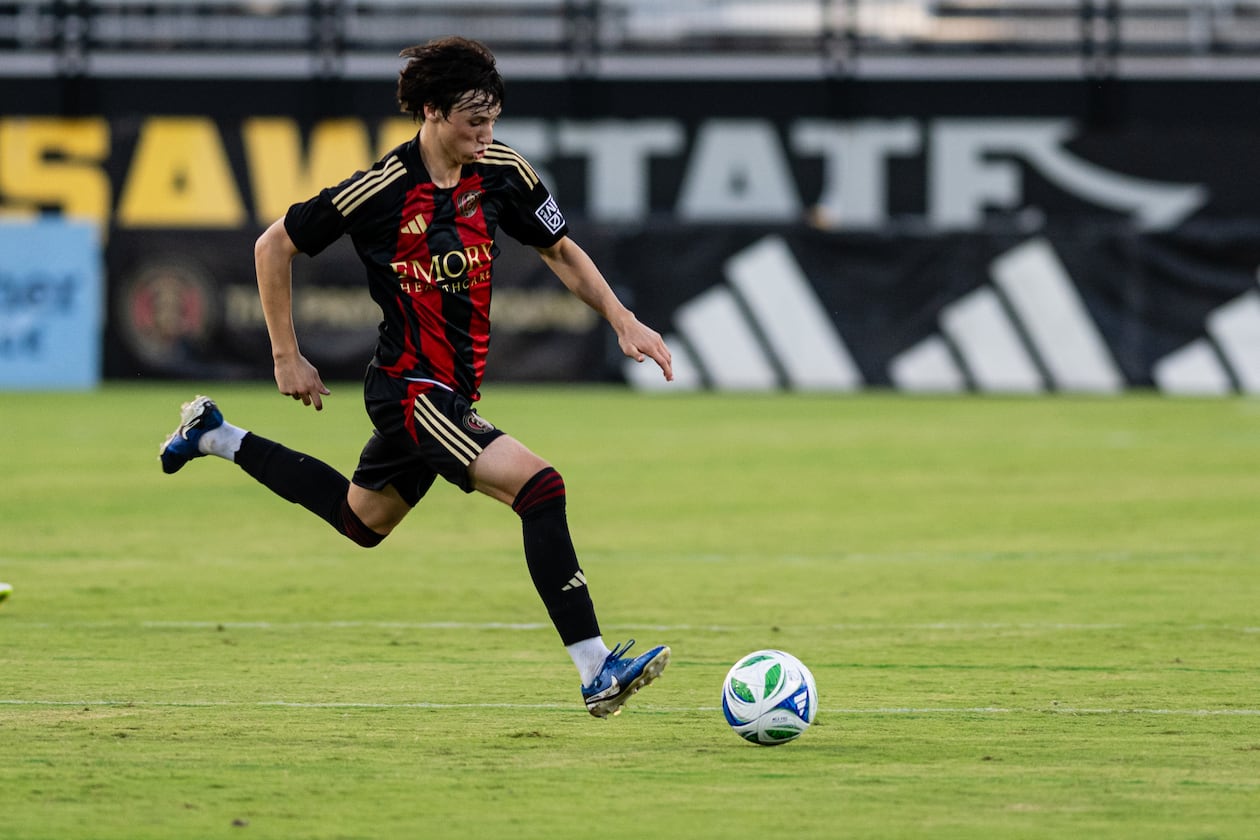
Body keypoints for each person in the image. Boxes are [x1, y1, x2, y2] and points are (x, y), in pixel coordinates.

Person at [159, 36, 674, 718]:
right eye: (472, 122)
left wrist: (621, 317)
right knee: (541, 488)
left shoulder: (503, 171)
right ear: (431, 113)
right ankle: (595, 668)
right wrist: (286, 355)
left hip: (449, 393)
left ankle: (216, 436)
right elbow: (273, 244)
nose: (486, 136)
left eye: (493, 121)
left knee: (360, 519)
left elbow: (559, 249)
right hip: (410, 390)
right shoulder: (381, 188)